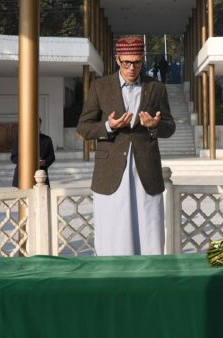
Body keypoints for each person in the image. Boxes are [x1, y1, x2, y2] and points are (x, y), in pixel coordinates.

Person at [77, 36, 175, 256]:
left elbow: (170, 127)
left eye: (137, 62)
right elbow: (84, 127)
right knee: (113, 228)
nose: (132, 68)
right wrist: (108, 126)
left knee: (149, 226)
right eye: (127, 63)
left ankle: (148, 275)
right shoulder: (100, 87)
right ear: (117, 59)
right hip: (110, 171)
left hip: (146, 170)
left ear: (143, 60)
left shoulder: (156, 88)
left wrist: (154, 126)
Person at [10, 118, 56, 187]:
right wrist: (28, 161)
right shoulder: (19, 138)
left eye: (38, 125)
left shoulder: (47, 139)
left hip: (41, 176)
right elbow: (14, 157)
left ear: (40, 125)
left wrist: (44, 162)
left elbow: (52, 157)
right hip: (23, 176)